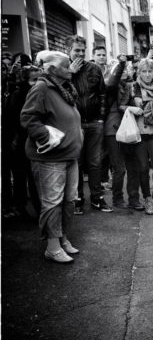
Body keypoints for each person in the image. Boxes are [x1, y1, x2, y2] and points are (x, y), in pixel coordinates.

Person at [20, 51, 83, 263]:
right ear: (53, 69)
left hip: (69, 155)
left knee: (69, 200)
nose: (70, 68)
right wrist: (47, 135)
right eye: (66, 66)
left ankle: (63, 239)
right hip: (51, 158)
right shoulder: (42, 87)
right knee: (52, 202)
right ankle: (52, 246)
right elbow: (28, 118)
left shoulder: (64, 88)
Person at [66, 35, 111, 214]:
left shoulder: (93, 68)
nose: (80, 54)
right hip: (74, 124)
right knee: (76, 163)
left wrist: (100, 118)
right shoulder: (62, 68)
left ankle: (97, 198)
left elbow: (102, 95)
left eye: (82, 51)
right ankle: (77, 199)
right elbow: (58, 91)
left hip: (94, 122)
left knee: (94, 162)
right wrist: (69, 73)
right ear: (68, 50)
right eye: (76, 50)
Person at [121, 58, 153, 215]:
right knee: (142, 167)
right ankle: (147, 197)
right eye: (144, 71)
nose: (147, 74)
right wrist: (132, 109)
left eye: (150, 71)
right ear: (138, 72)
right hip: (139, 132)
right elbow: (121, 106)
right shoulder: (132, 88)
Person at [3, 65, 42, 219]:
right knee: (23, 176)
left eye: (39, 79)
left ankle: (34, 209)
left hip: (32, 139)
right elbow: (14, 120)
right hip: (21, 141)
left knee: (32, 177)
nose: (37, 83)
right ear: (25, 80)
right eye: (34, 80)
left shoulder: (37, 93)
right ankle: (23, 208)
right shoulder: (18, 95)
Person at [103, 55, 129, 209]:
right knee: (119, 167)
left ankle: (120, 195)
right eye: (120, 69)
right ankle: (117, 198)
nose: (124, 71)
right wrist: (121, 64)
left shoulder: (126, 86)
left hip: (125, 129)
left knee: (122, 167)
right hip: (113, 130)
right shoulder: (109, 85)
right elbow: (114, 78)